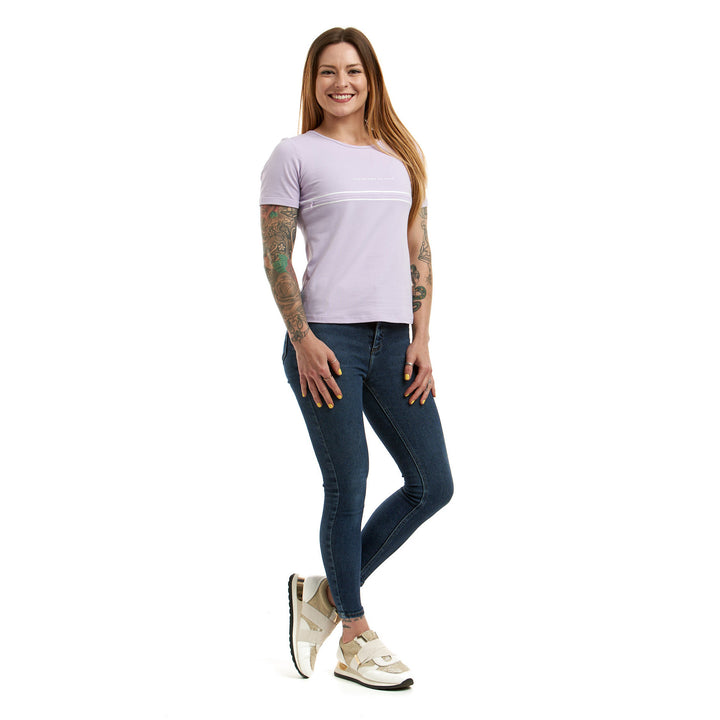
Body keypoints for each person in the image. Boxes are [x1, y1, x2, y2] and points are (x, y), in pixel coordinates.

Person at [259, 27, 453, 691]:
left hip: (396, 343)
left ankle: (322, 596)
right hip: (327, 344)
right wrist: (303, 339)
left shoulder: (401, 154)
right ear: (312, 82)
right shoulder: (293, 155)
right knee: (350, 483)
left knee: (432, 484)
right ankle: (354, 635)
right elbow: (276, 257)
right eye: (327, 72)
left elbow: (418, 250)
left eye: (353, 71)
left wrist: (422, 337)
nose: (341, 83)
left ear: (371, 79)